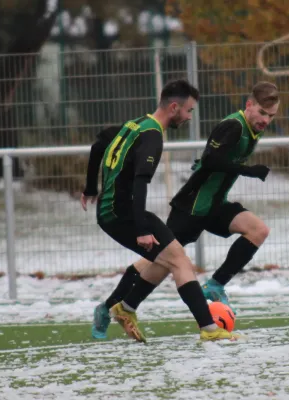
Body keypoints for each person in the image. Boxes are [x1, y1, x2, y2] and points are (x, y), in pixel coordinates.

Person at [90, 81, 279, 340]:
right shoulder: (233, 126)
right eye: (262, 113)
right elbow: (212, 160)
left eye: (271, 116)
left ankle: (215, 285)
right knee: (160, 259)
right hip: (192, 206)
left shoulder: (250, 129)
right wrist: (249, 170)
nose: (266, 120)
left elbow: (101, 141)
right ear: (249, 105)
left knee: (257, 230)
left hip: (214, 204)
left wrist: (90, 186)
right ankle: (114, 305)